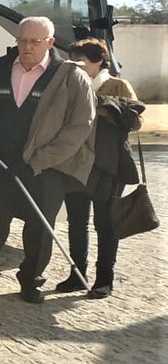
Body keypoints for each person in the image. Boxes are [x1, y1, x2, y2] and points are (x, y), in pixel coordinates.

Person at [0, 16, 95, 303]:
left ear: (50, 42)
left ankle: (30, 278)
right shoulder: (0, 68)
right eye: (22, 40)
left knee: (39, 224)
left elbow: (80, 126)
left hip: (44, 165)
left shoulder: (70, 76)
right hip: (3, 161)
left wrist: (40, 160)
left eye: (34, 42)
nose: (27, 47)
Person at [55, 38, 142, 299]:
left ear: (98, 61)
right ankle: (77, 273)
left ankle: (105, 278)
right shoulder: (71, 82)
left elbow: (136, 122)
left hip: (108, 164)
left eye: (81, 60)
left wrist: (107, 109)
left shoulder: (118, 84)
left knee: (105, 223)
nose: (76, 65)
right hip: (75, 160)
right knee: (76, 222)